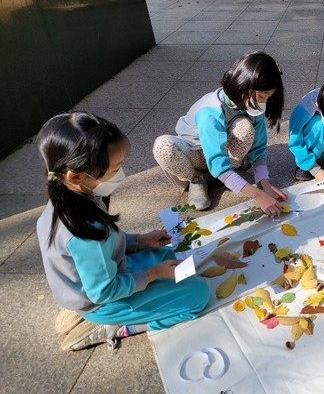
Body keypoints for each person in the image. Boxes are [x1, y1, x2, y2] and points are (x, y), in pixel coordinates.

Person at [36, 112, 210, 351]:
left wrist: (141, 241)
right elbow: (104, 290)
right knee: (198, 295)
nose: (120, 174)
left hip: (104, 275)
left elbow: (106, 244)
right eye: (114, 169)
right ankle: (116, 326)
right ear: (75, 175)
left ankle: (88, 309)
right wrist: (153, 274)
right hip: (103, 302)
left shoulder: (68, 196)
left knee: (174, 258)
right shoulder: (82, 229)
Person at [153, 50, 288, 213]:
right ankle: (196, 179)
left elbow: (258, 149)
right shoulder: (210, 112)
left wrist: (264, 184)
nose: (263, 102)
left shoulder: (253, 106)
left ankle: (232, 174)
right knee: (163, 146)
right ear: (243, 85)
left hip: (227, 157)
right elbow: (217, 161)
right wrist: (258, 196)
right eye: (261, 96)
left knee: (244, 127)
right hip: (196, 155)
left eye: (268, 97)